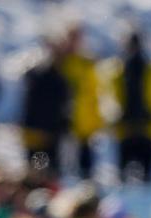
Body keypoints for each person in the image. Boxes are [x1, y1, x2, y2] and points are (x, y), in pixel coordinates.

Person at [108, 29, 151, 182]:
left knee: (125, 175)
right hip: (144, 128)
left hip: (130, 128)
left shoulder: (120, 70)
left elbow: (110, 95)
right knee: (144, 176)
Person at [20, 36, 71, 177]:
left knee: (46, 171)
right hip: (40, 133)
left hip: (47, 133)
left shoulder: (55, 77)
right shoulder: (47, 76)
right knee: (39, 171)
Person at [58, 24, 103, 179]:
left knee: (86, 166)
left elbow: (95, 93)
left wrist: (95, 119)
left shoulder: (87, 63)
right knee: (63, 165)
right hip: (63, 124)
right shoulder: (60, 62)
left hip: (84, 123)